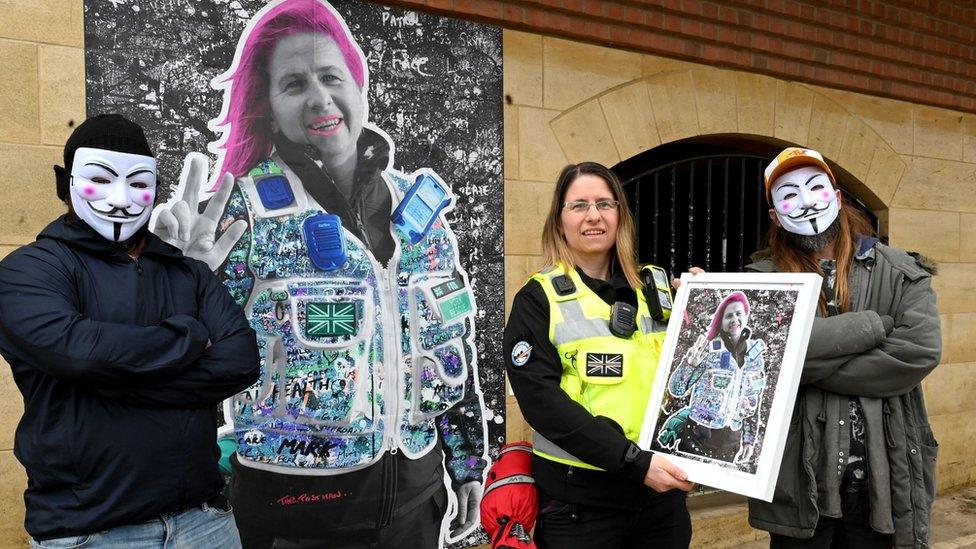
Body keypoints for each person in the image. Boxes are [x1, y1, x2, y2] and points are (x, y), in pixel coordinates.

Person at [151, 1, 488, 546]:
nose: (319, 97)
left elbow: (448, 341)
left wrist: (467, 459)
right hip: (296, 514)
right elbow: (184, 359)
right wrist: (173, 283)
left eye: (331, 77)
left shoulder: (419, 212)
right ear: (271, 107)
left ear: (358, 87)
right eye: (294, 84)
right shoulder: (245, 213)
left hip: (415, 502)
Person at [0, 114, 260, 548]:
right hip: (91, 535)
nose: (121, 200)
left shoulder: (189, 273)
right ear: (65, 184)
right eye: (100, 180)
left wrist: (112, 384)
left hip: (205, 523)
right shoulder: (29, 270)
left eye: (137, 183)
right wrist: (191, 336)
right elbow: (78, 353)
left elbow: (239, 360)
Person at [746, 147, 941, 548]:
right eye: (788, 195)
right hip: (801, 484)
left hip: (884, 480)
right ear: (774, 216)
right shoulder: (760, 283)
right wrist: (873, 327)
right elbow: (760, 362)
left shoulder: (901, 270)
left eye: (815, 188)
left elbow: (917, 352)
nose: (804, 202)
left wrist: (798, 363)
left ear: (836, 198)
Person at [504, 162, 694, 549]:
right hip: (581, 507)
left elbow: (693, 369)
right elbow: (542, 404)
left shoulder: (658, 291)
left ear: (620, 216)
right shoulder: (537, 299)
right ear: (559, 222)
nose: (593, 216)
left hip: (660, 505)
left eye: (605, 204)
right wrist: (634, 463)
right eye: (579, 206)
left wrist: (706, 302)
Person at [657, 291, 767, 466]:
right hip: (698, 434)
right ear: (721, 321)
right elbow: (676, 390)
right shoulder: (708, 350)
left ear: (746, 315)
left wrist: (748, 439)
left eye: (739, 313)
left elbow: (754, 400)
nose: (734, 319)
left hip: (732, 439)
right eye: (728, 315)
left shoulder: (755, 355)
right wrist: (689, 365)